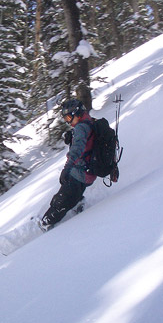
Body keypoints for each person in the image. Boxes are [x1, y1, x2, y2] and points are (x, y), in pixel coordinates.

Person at [39, 98, 97, 230]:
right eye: (66, 119)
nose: (68, 121)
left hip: (80, 172)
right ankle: (78, 206)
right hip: (88, 172)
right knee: (73, 194)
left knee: (61, 200)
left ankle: (45, 224)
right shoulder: (89, 122)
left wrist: (67, 168)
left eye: (69, 117)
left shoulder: (81, 128)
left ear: (77, 113)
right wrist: (73, 135)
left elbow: (77, 150)